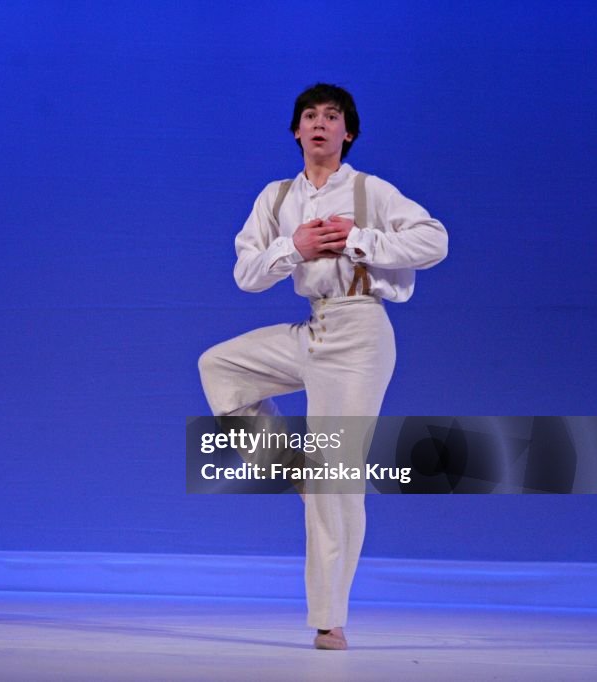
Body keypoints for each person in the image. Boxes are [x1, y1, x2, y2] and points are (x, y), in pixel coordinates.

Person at [197, 84, 447, 650]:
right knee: (220, 368)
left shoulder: (369, 190)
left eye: (331, 117)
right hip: (313, 327)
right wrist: (295, 248)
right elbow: (247, 273)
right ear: (295, 132)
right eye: (309, 116)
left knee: (339, 482)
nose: (319, 124)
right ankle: (294, 470)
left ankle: (329, 620)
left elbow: (434, 241)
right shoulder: (277, 196)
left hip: (360, 333)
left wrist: (359, 240)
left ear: (346, 133)